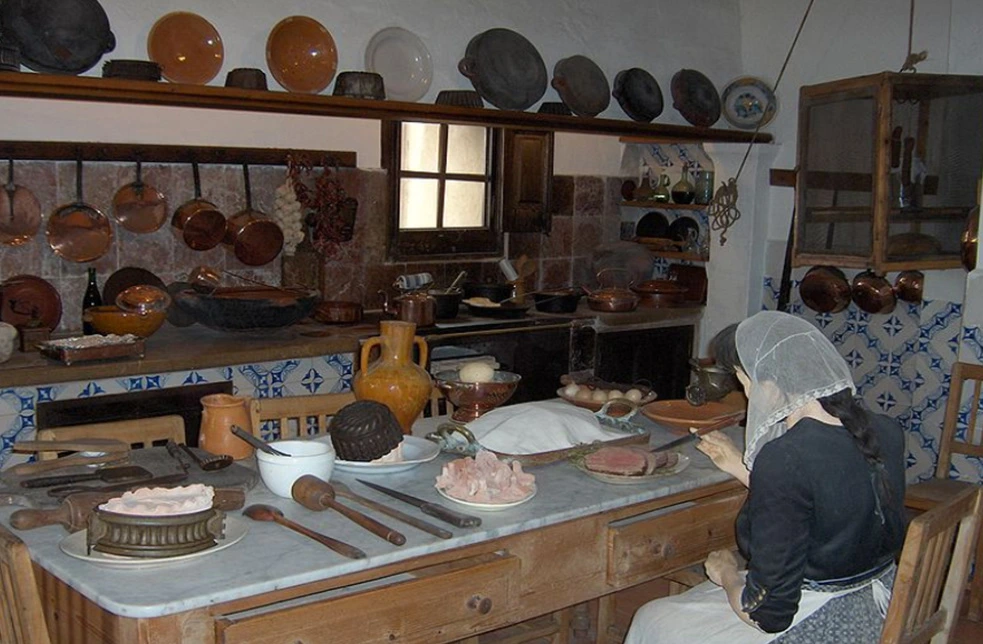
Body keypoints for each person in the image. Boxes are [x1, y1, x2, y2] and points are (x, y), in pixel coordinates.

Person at [625, 311, 907, 643]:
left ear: (771, 386)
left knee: (652, 618)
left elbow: (766, 615)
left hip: (826, 627)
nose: (747, 393)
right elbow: (831, 500)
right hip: (880, 609)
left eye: (744, 381)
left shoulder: (786, 458)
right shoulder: (884, 429)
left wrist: (726, 573)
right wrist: (744, 470)